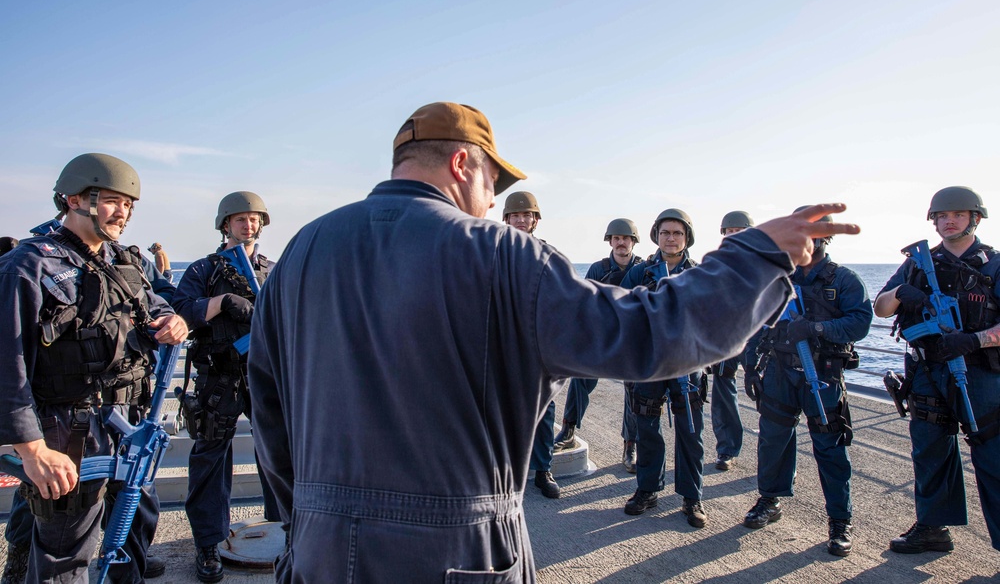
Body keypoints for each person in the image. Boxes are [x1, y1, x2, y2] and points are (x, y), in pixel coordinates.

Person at [247, 101, 858, 583]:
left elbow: (269, 407)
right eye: (493, 183)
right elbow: (645, 333)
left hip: (320, 548)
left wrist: (306, 516)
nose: (491, 203)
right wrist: (756, 255)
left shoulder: (301, 250)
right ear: (464, 164)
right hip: (456, 551)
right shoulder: (501, 255)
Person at [0, 153, 188, 583]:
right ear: (73, 199)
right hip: (69, 431)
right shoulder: (30, 265)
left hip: (129, 427)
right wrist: (33, 451)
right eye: (111, 201)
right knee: (66, 556)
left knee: (131, 534)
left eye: (129, 204)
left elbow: (153, 304)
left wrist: (172, 320)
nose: (122, 212)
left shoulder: (126, 262)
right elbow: (7, 368)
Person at [874, 186, 1000, 554]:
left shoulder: (994, 266)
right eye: (942, 216)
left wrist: (975, 340)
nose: (948, 221)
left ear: (975, 218)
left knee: (992, 456)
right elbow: (881, 308)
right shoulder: (916, 263)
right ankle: (932, 527)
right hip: (927, 369)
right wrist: (903, 294)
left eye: (958, 215)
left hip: (979, 372)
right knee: (930, 451)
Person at [742, 206, 872, 558]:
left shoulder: (843, 280)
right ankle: (770, 500)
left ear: (826, 238)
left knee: (830, 448)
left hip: (822, 374)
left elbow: (860, 323)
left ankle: (839, 522)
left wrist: (817, 328)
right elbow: (758, 321)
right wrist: (750, 365)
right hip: (780, 371)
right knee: (773, 441)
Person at [171, 191, 281, 583]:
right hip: (219, 376)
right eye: (240, 219)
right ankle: (208, 542)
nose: (248, 225)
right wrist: (221, 303)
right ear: (225, 225)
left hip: (264, 375)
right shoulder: (205, 269)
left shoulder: (270, 269)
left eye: (254, 219)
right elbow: (181, 311)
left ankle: (285, 528)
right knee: (210, 458)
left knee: (278, 452)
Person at [619, 209, 709, 528]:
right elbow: (622, 308)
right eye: (665, 232)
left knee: (690, 432)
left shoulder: (699, 274)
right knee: (647, 428)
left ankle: (691, 496)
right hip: (651, 363)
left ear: (687, 238)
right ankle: (647, 489)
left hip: (687, 364)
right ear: (657, 235)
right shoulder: (641, 273)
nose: (671, 238)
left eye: (678, 233)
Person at [554, 218, 644, 474]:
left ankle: (630, 444)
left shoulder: (644, 268)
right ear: (610, 241)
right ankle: (568, 429)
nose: (621, 242)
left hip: (630, 340)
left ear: (633, 241)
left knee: (635, 392)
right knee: (581, 378)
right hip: (602, 338)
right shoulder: (598, 268)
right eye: (616, 238)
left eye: (626, 238)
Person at [501, 190, 560, 500]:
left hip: (537, 344)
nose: (522, 219)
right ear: (506, 219)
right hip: (501, 341)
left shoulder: (548, 254)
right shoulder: (492, 249)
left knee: (543, 409)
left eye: (527, 215)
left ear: (536, 220)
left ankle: (542, 469)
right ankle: (506, 471)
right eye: (515, 215)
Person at [711, 211, 760, 471]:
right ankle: (727, 449)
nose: (733, 237)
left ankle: (777, 461)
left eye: (738, 232)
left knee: (773, 402)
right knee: (724, 394)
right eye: (728, 233)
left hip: (759, 339)